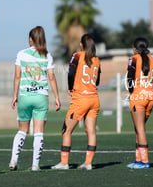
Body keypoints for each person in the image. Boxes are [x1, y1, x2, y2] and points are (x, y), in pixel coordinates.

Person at [9, 26, 61, 171]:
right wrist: (57, 97)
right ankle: (35, 165)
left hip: (25, 96)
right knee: (38, 132)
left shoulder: (21, 54)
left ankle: (13, 161)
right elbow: (51, 77)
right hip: (41, 97)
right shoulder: (47, 56)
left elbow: (17, 76)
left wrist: (14, 95)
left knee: (22, 130)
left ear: (30, 40)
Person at [51, 34, 101, 170]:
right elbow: (97, 80)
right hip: (94, 98)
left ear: (81, 45)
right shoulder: (97, 60)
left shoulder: (77, 56)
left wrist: (70, 88)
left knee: (65, 130)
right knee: (91, 132)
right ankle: (88, 163)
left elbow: (71, 73)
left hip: (81, 98)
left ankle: (64, 163)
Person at [126, 37, 153, 169]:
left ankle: (144, 161)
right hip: (150, 97)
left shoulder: (133, 59)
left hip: (138, 96)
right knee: (138, 128)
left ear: (134, 49)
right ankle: (138, 159)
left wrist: (131, 91)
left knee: (140, 129)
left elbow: (130, 77)